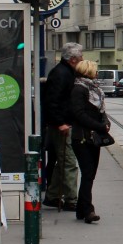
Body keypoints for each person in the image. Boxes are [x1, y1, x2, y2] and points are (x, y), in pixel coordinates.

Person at [41, 42, 81, 210]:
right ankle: (72, 199)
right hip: (62, 125)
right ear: (72, 59)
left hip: (62, 123)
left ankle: (52, 195)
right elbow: (52, 102)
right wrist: (60, 123)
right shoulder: (61, 74)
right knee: (70, 162)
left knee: (62, 162)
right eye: (80, 57)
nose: (82, 59)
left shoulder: (64, 72)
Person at [70, 59, 111, 223]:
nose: (97, 73)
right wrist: (99, 126)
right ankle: (88, 210)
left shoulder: (94, 89)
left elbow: (100, 110)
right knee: (88, 173)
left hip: (94, 138)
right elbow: (79, 114)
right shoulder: (79, 89)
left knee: (90, 174)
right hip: (82, 138)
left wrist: (105, 122)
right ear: (88, 71)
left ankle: (81, 209)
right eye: (95, 70)